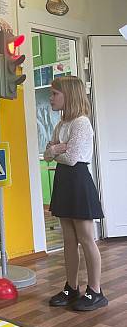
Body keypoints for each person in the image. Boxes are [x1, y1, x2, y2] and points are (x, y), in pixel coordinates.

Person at [44, 76, 108, 311]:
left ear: (68, 96)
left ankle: (95, 291)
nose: (51, 98)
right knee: (69, 240)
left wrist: (55, 150)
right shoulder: (61, 125)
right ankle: (71, 288)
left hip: (78, 181)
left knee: (86, 238)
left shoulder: (81, 123)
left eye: (54, 94)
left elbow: (71, 158)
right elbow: (47, 155)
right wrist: (56, 149)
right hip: (64, 181)